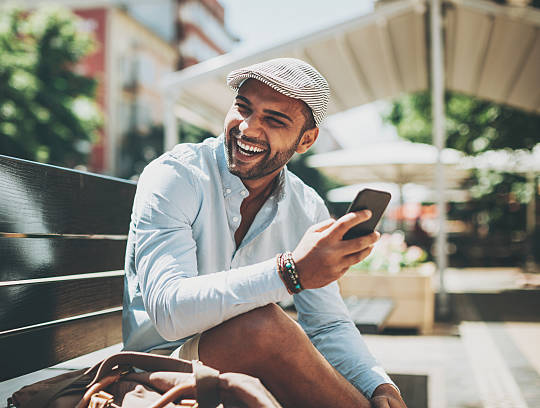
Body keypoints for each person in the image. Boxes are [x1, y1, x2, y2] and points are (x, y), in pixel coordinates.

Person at [122, 58, 407, 407]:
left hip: (245, 372)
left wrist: (379, 385)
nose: (248, 128)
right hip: (157, 368)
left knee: (277, 336)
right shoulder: (175, 176)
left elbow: (328, 324)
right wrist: (290, 272)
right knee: (264, 327)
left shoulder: (307, 206)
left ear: (306, 140)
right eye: (243, 108)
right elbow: (170, 313)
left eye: (274, 120)